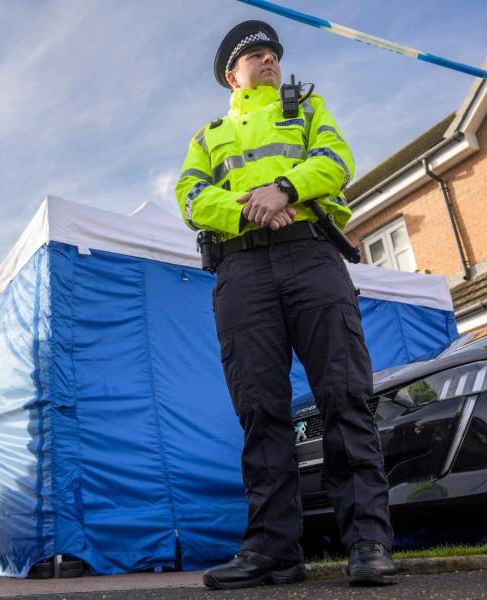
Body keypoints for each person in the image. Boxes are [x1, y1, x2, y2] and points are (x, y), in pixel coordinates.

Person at [175, 20, 397, 589]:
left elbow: (335, 159)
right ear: (232, 74)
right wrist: (250, 211)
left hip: (311, 257)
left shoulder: (308, 107)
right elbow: (192, 198)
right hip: (242, 268)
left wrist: (286, 191)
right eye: (255, 55)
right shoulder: (207, 135)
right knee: (260, 410)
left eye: (273, 52)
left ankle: (367, 541)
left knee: (345, 395)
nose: (269, 59)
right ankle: (274, 551)